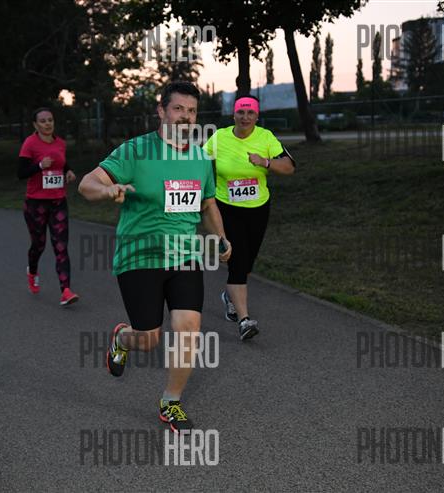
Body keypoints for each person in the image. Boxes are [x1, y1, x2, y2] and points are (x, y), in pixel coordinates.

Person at [78, 81, 231, 432]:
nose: (186, 117)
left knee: (188, 327)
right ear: (161, 111)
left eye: (192, 111)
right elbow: (87, 184)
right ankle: (123, 338)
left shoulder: (200, 158)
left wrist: (221, 238)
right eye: (178, 109)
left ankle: (170, 401)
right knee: (148, 339)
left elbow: (208, 204)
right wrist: (108, 190)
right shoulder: (135, 151)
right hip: (140, 256)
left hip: (184, 255)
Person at [203, 94, 295, 341]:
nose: (245, 117)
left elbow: (289, 166)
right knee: (238, 260)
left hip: (258, 208)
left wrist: (265, 162)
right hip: (226, 207)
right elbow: (199, 161)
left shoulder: (265, 137)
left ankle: (229, 296)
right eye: (241, 112)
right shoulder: (219, 137)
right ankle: (244, 321)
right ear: (233, 114)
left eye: (250, 112)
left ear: (257, 116)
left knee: (247, 263)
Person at [17, 107, 79, 306]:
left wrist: (68, 171)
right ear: (35, 125)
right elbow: (21, 173)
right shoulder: (30, 143)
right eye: (43, 121)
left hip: (58, 202)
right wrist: (39, 166)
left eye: (50, 120)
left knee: (61, 246)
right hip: (36, 204)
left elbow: (62, 163)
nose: (47, 124)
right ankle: (32, 271)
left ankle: (66, 291)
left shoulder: (60, 143)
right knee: (39, 245)